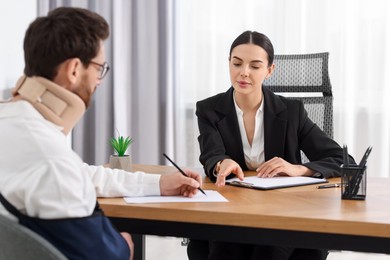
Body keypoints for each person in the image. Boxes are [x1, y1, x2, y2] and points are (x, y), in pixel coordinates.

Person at [0, 7, 202, 260]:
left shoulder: (13, 124)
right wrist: (124, 243)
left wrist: (158, 183)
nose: (99, 80)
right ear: (74, 69)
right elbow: (110, 255)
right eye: (99, 68)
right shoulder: (51, 161)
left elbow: (76, 175)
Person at [189, 31, 355, 260]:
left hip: (283, 214)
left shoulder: (291, 112)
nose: (243, 72)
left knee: (268, 252)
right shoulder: (209, 109)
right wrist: (221, 163)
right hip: (231, 210)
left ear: (269, 70)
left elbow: (343, 160)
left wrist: (300, 168)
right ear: (229, 63)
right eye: (237, 63)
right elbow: (211, 153)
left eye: (255, 66)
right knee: (225, 250)